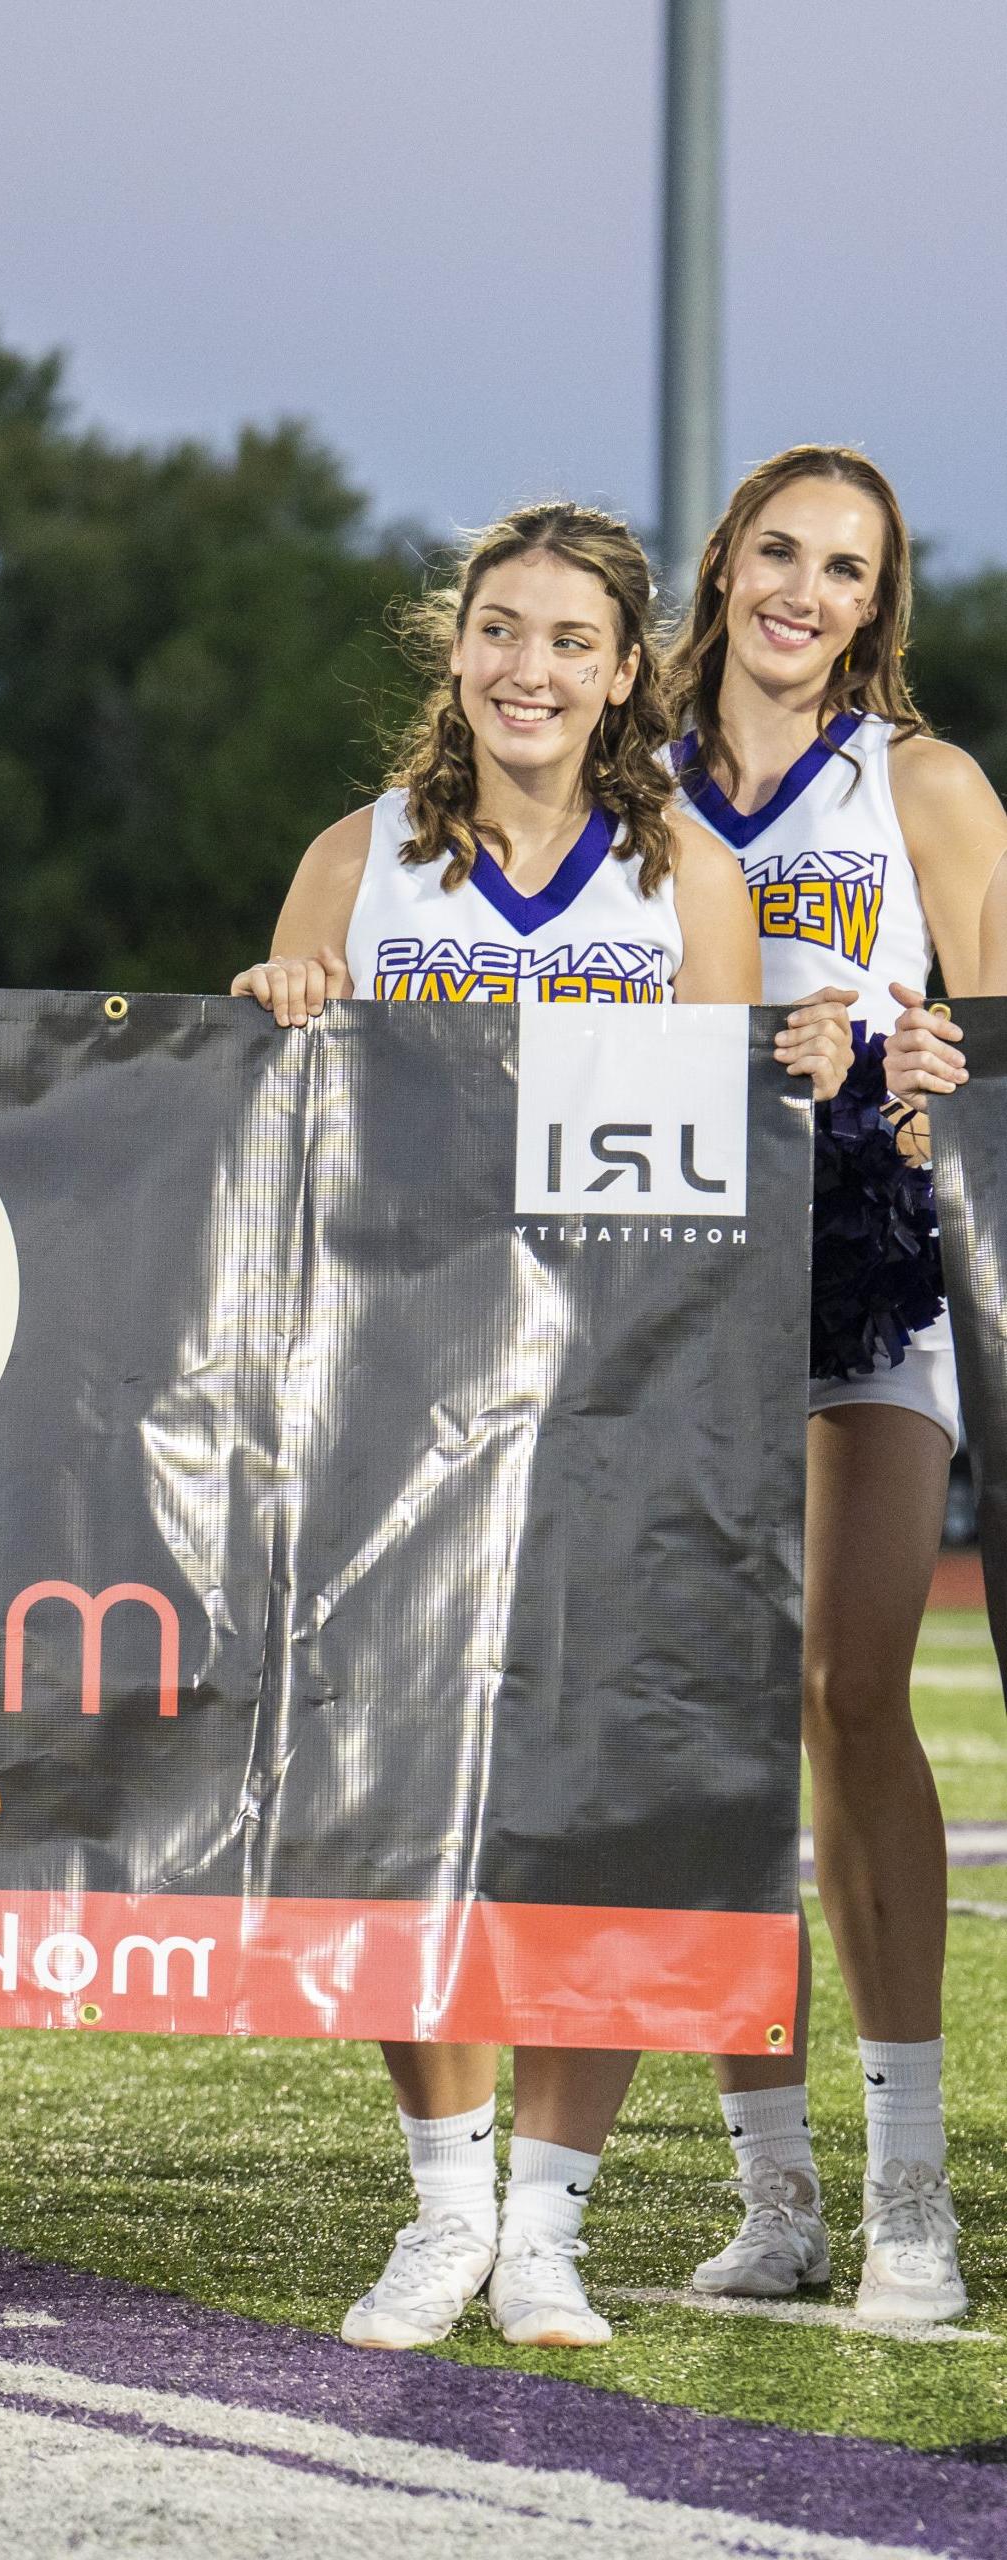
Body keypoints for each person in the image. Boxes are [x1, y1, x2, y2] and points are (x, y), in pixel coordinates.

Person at [232, 502, 851, 2351]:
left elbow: (741, 1177)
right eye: (499, 630)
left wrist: (804, 1069)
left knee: (606, 1806)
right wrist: (273, 1013)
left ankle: (550, 2229)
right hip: (389, 1409)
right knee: (397, 1800)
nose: (528, 669)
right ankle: (440, 2206)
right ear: (455, 650)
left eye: (569, 641)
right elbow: (268, 1156)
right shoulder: (355, 866)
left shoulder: (693, 891)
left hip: (624, 1412)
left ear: (619, 670)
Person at [675, 451, 1007, 2324]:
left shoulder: (923, 785)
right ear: (724, 565)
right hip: (675, 1270)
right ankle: (772, 2192)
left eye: (845, 568)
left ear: (876, 604)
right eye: (779, 551)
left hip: (879, 1261)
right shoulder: (618, 788)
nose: (804, 590)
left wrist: (931, 1051)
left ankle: (908, 2202)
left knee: (840, 1683)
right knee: (713, 1711)